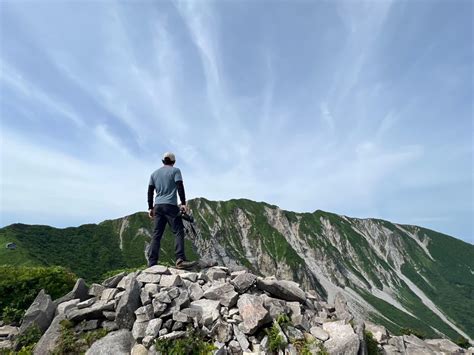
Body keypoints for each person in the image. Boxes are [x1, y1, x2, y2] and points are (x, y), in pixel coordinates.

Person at [147, 152, 195, 269]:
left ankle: (152, 263)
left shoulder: (154, 174)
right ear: (173, 162)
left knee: (157, 234)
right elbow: (180, 186)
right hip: (170, 206)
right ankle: (180, 259)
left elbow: (150, 191)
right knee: (178, 231)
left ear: (163, 161)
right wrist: (183, 203)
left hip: (158, 206)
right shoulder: (176, 171)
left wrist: (150, 207)